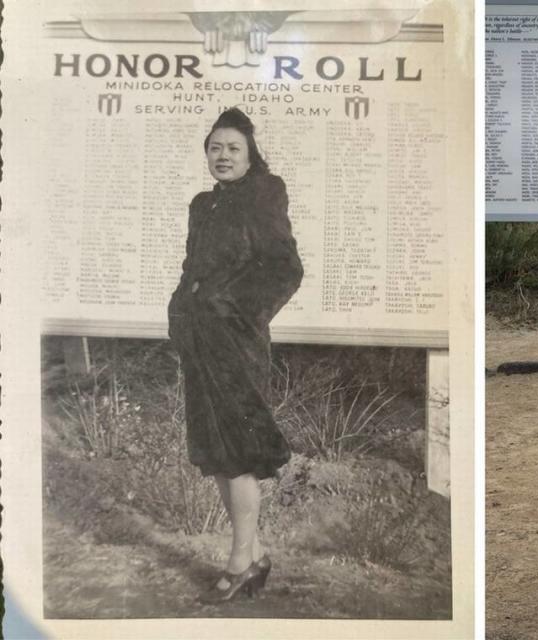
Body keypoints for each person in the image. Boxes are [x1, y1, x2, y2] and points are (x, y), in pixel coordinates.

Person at [167, 107, 304, 602]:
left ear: (250, 156)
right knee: (219, 451)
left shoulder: (265, 193)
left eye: (233, 149)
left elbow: (286, 268)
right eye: (215, 148)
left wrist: (234, 309)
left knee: (240, 450)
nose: (222, 157)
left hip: (236, 344)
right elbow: (191, 269)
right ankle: (256, 553)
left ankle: (240, 561)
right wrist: (181, 312)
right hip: (200, 341)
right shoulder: (203, 204)